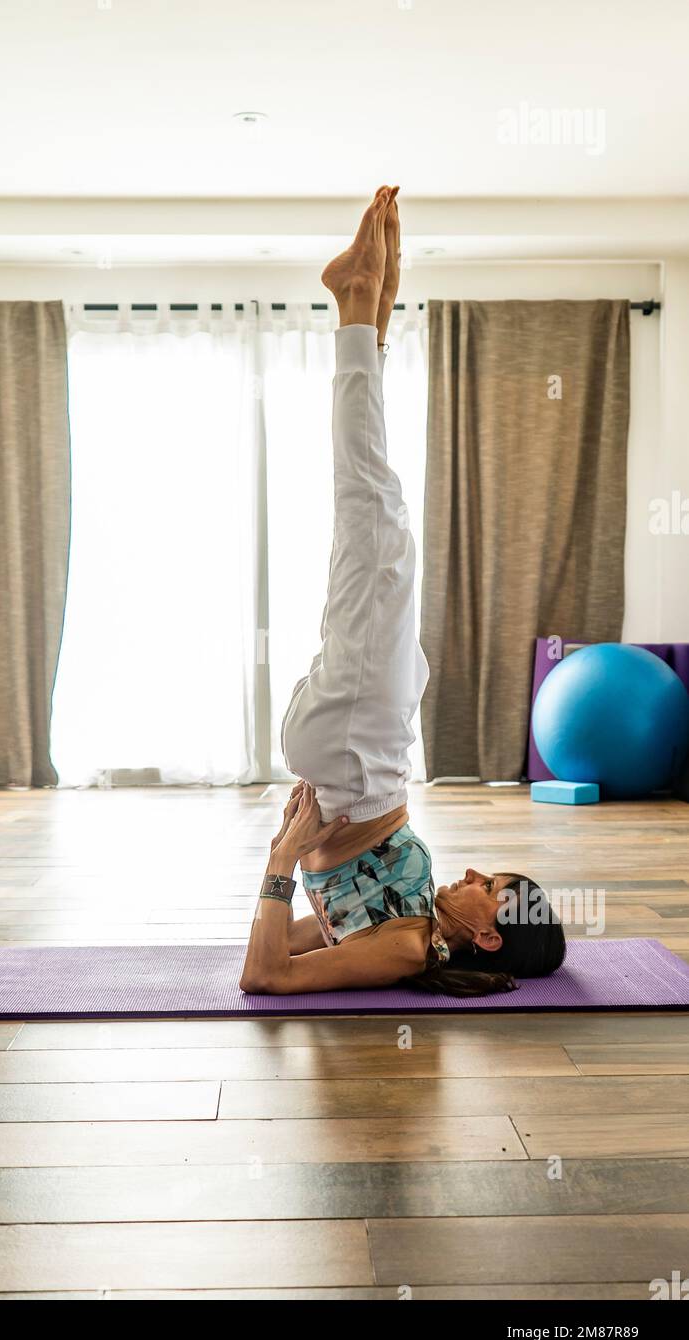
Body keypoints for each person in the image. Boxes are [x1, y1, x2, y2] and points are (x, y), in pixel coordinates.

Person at [240, 187, 565, 997]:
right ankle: (367, 322)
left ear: (485, 931)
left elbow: (264, 977)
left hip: (358, 753)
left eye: (491, 886)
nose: (480, 871)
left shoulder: (410, 948)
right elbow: (311, 938)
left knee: (376, 521)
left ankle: (359, 314)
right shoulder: (414, 925)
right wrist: (303, 872)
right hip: (359, 753)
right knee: (371, 533)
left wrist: (281, 858)